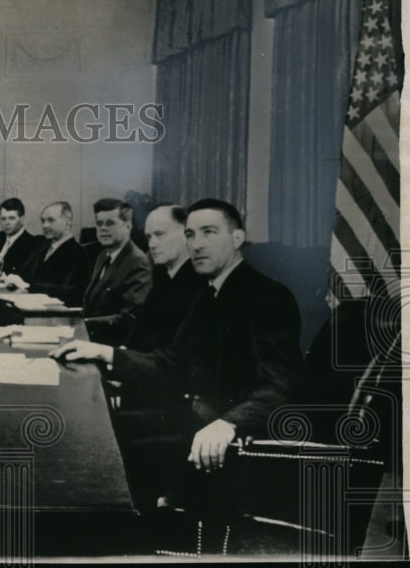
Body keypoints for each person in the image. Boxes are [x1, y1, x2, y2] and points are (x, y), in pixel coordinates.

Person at [51, 199, 302, 514]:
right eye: (191, 234)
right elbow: (171, 363)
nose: (196, 244)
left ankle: (120, 540)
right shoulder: (209, 293)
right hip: (192, 421)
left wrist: (228, 423)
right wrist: (106, 352)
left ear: (237, 238)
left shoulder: (267, 296)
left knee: (108, 453)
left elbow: (281, 386)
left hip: (230, 441)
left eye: (209, 232)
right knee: (91, 434)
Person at [125, 203, 202, 352]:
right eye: (149, 237)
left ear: (185, 234)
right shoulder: (163, 275)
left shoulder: (198, 283)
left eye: (159, 234)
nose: (152, 244)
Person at [81, 198, 152, 345]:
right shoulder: (102, 256)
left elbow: (129, 318)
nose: (103, 229)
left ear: (128, 226)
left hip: (113, 347)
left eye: (110, 223)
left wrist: (83, 323)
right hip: (91, 340)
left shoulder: (138, 262)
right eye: (99, 224)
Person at [9, 201, 89, 306]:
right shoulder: (41, 248)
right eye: (43, 221)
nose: (45, 225)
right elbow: (24, 276)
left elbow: (74, 293)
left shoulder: (79, 253)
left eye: (51, 220)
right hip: (26, 305)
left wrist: (29, 286)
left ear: (68, 222)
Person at [0, 197, 43, 280]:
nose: (7, 223)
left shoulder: (32, 244)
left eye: (12, 218)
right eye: (3, 219)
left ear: (22, 219)